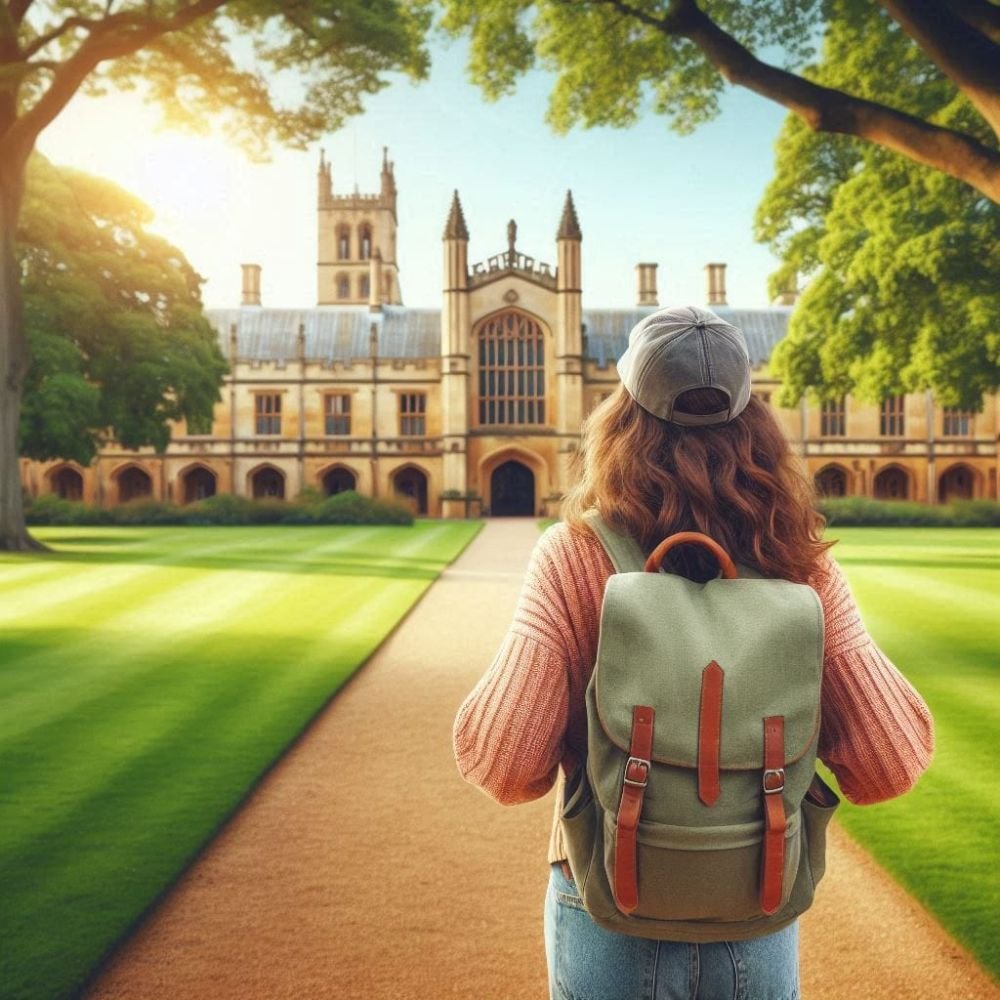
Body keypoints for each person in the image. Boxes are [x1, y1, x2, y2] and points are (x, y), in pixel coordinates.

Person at [453, 305, 934, 1000]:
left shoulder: (574, 557)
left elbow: (502, 766)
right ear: (755, 425)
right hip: (756, 904)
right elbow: (890, 765)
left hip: (606, 911)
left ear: (618, 418)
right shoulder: (801, 567)